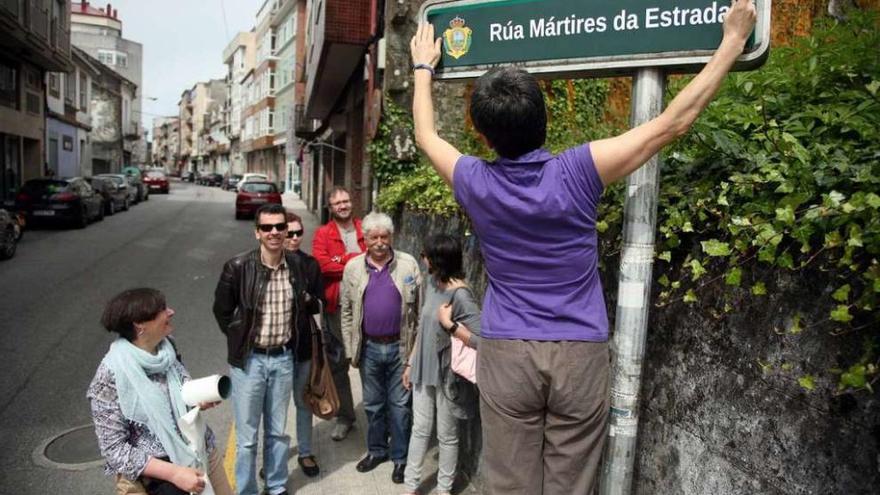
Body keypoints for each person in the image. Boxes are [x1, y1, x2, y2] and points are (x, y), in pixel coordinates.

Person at [409, 1, 757, 493]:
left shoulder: (474, 180)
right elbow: (670, 124)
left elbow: (426, 136)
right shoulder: (579, 169)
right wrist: (731, 43)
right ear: (543, 118)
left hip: (506, 349)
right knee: (572, 485)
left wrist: (424, 66)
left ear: (485, 135)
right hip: (579, 351)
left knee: (509, 483)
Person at [213, 203, 317, 495]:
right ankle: (246, 490)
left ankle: (276, 485)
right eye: (267, 228)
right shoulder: (237, 267)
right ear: (257, 232)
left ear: (286, 230)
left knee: (277, 432)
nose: (274, 232)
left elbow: (302, 311)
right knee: (246, 438)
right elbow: (221, 311)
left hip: (283, 359)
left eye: (280, 227)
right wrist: (239, 338)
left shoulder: (296, 267)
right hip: (249, 362)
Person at [87, 288, 233, 495]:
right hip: (154, 479)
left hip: (201, 451)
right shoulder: (109, 376)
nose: (171, 312)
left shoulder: (166, 347)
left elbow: (177, 394)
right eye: (162, 310)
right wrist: (174, 473)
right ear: (140, 325)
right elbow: (114, 450)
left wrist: (196, 401)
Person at [339, 211, 421, 484]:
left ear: (391, 237)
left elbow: (419, 312)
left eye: (384, 236)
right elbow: (347, 312)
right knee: (373, 405)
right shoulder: (352, 268)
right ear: (365, 239)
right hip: (370, 349)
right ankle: (376, 451)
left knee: (400, 407)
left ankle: (400, 459)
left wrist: (414, 355)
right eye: (373, 237)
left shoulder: (408, 265)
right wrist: (351, 351)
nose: (379, 242)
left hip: (401, 348)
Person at [401, 234, 481, 495]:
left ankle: (444, 489)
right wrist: (411, 364)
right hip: (424, 369)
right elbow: (423, 330)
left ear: (438, 260)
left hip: (448, 376)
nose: (422, 259)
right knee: (420, 429)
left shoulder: (461, 295)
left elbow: (482, 340)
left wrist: (451, 325)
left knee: (447, 435)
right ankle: (410, 486)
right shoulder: (433, 284)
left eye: (425, 256)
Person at [311, 186, 365, 440]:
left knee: (368, 361)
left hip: (367, 307)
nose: (343, 206)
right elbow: (321, 264)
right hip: (335, 307)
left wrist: (340, 260)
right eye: (337, 203)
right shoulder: (323, 233)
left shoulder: (365, 228)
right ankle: (345, 417)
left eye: (346, 201)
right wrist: (355, 260)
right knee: (338, 364)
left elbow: (377, 258)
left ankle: (377, 416)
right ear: (330, 208)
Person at [283, 211, 322, 478]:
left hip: (304, 345)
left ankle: (305, 452)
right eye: (290, 233)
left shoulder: (310, 264)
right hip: (274, 349)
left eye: (299, 233)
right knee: (273, 408)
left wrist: (307, 298)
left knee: (303, 402)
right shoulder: (265, 263)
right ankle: (274, 458)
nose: (295, 238)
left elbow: (320, 304)